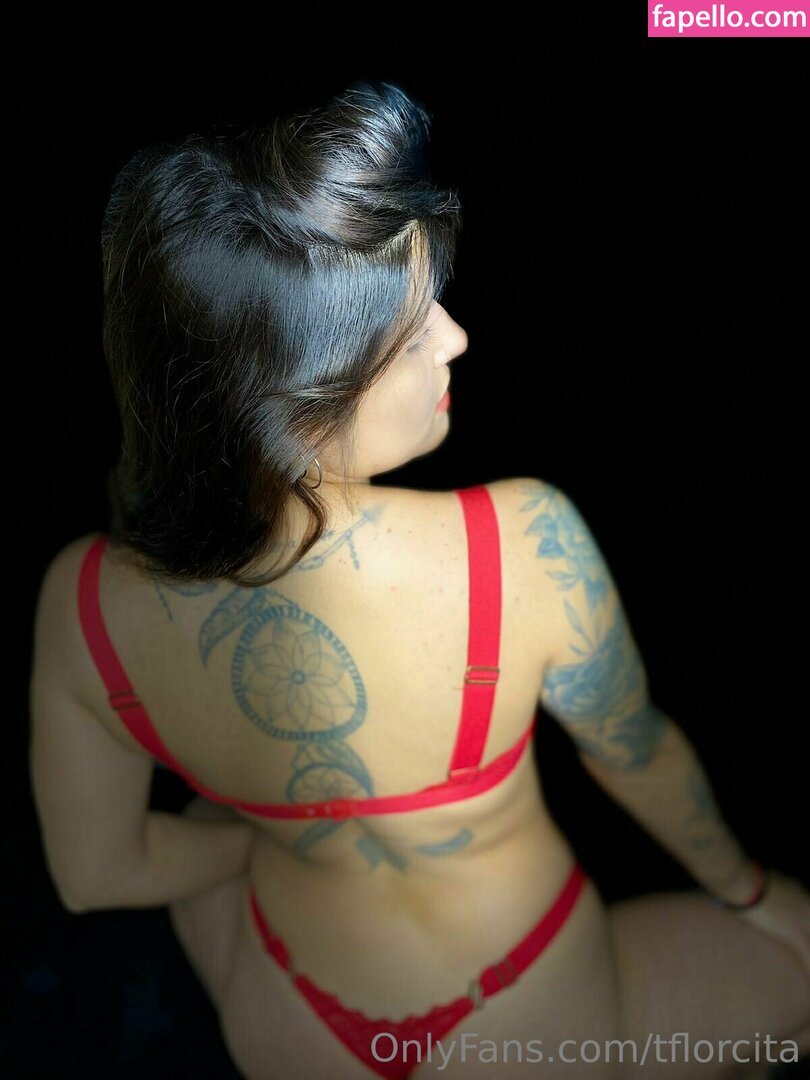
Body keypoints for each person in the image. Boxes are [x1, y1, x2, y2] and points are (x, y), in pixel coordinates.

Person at [29, 80, 809, 1080]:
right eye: (406, 337)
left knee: (205, 822)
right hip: (530, 1018)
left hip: (296, 1026)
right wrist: (748, 891)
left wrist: (272, 835)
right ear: (289, 408)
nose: (453, 338)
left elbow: (95, 876)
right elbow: (639, 756)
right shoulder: (523, 542)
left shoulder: (84, 604)